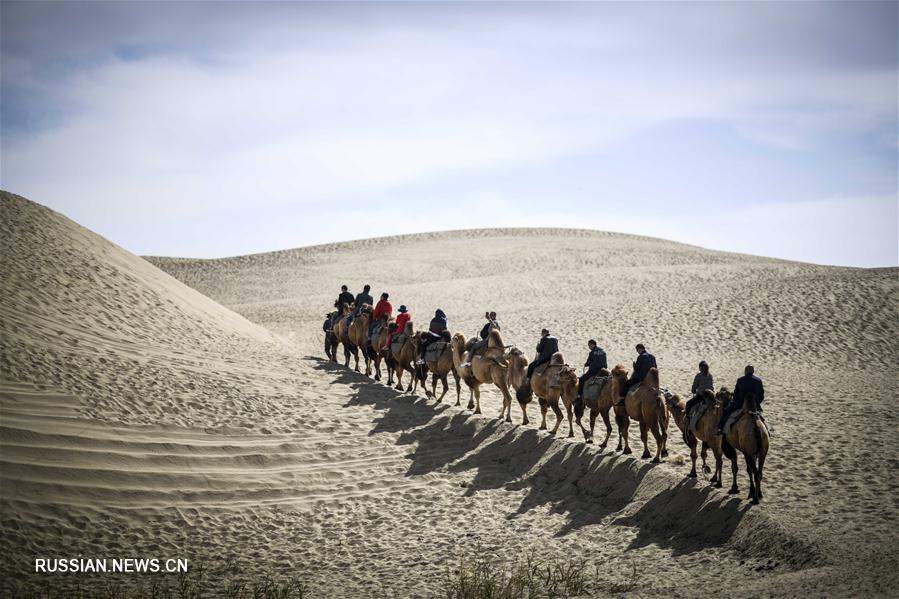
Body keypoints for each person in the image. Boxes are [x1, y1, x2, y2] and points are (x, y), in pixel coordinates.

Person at [716, 365, 764, 435]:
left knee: (726, 411)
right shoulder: (758, 380)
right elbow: (761, 395)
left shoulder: (740, 380)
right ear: (753, 371)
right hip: (755, 405)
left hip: (740, 404)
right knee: (761, 418)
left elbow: (735, 394)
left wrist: (735, 400)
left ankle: (720, 429)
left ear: (745, 372)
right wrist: (756, 402)